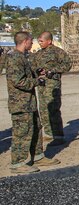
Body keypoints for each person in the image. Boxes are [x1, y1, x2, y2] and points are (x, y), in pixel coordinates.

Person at [6, 31, 60, 174]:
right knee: (22, 133)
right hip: (20, 103)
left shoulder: (23, 57)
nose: (32, 43)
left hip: (29, 102)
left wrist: (37, 73)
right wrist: (37, 81)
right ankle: (17, 163)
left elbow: (25, 75)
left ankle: (38, 155)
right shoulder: (14, 58)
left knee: (36, 128)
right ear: (25, 41)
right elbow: (18, 81)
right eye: (31, 41)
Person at [30, 31, 72, 145]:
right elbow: (33, 66)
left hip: (52, 85)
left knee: (53, 110)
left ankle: (58, 136)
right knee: (43, 110)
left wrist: (52, 71)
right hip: (41, 85)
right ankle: (49, 133)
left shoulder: (58, 52)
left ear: (49, 41)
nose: (39, 43)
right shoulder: (38, 53)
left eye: (42, 41)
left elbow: (68, 65)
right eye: (39, 41)